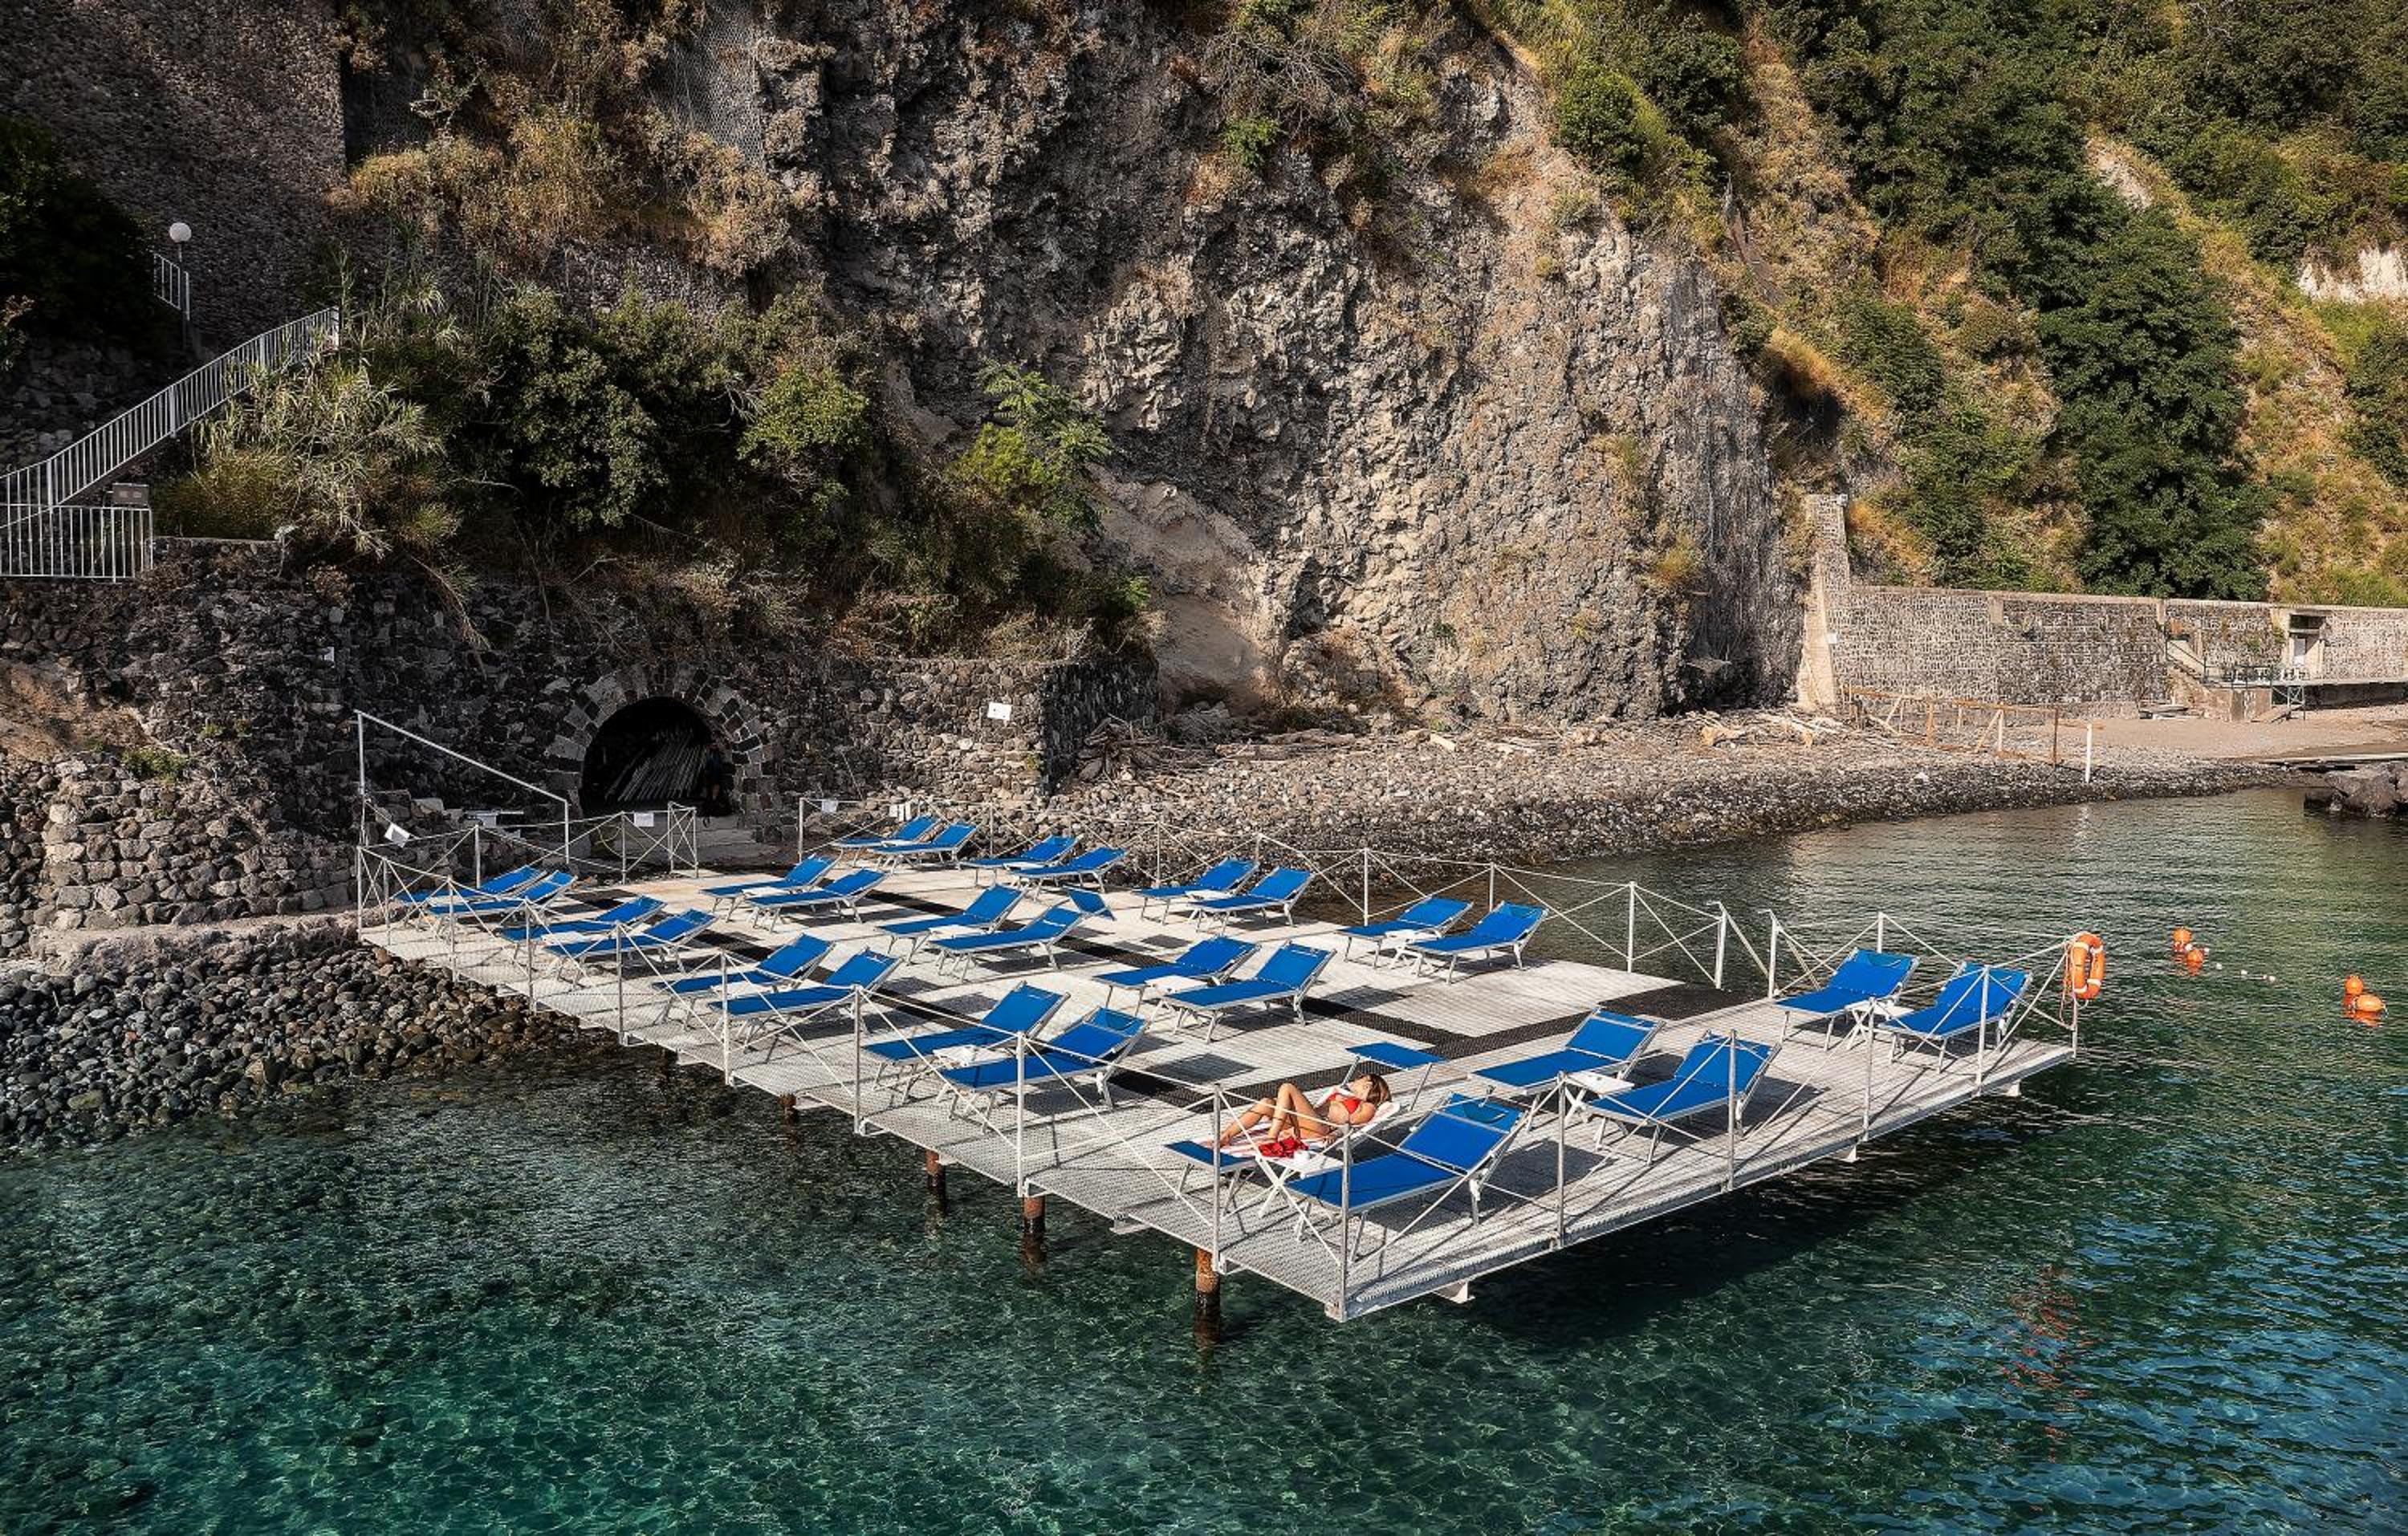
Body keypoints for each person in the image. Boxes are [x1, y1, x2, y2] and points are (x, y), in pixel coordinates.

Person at [1215, 1070, 1389, 1148]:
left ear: (1368, 1084)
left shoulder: (1368, 1106)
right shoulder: (1344, 1094)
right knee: (1266, 1102)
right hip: (1305, 1124)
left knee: (1287, 1087)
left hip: (1320, 1128)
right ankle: (1226, 1135)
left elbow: (1353, 1126)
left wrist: (1336, 1134)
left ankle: (1271, 1137)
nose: (1356, 1080)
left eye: (1360, 1078)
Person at [698, 743, 735, 819]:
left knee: (715, 785)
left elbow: (716, 783)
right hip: (712, 776)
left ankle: (713, 803)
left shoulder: (715, 759)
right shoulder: (711, 758)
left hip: (715, 775)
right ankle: (712, 803)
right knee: (713, 786)